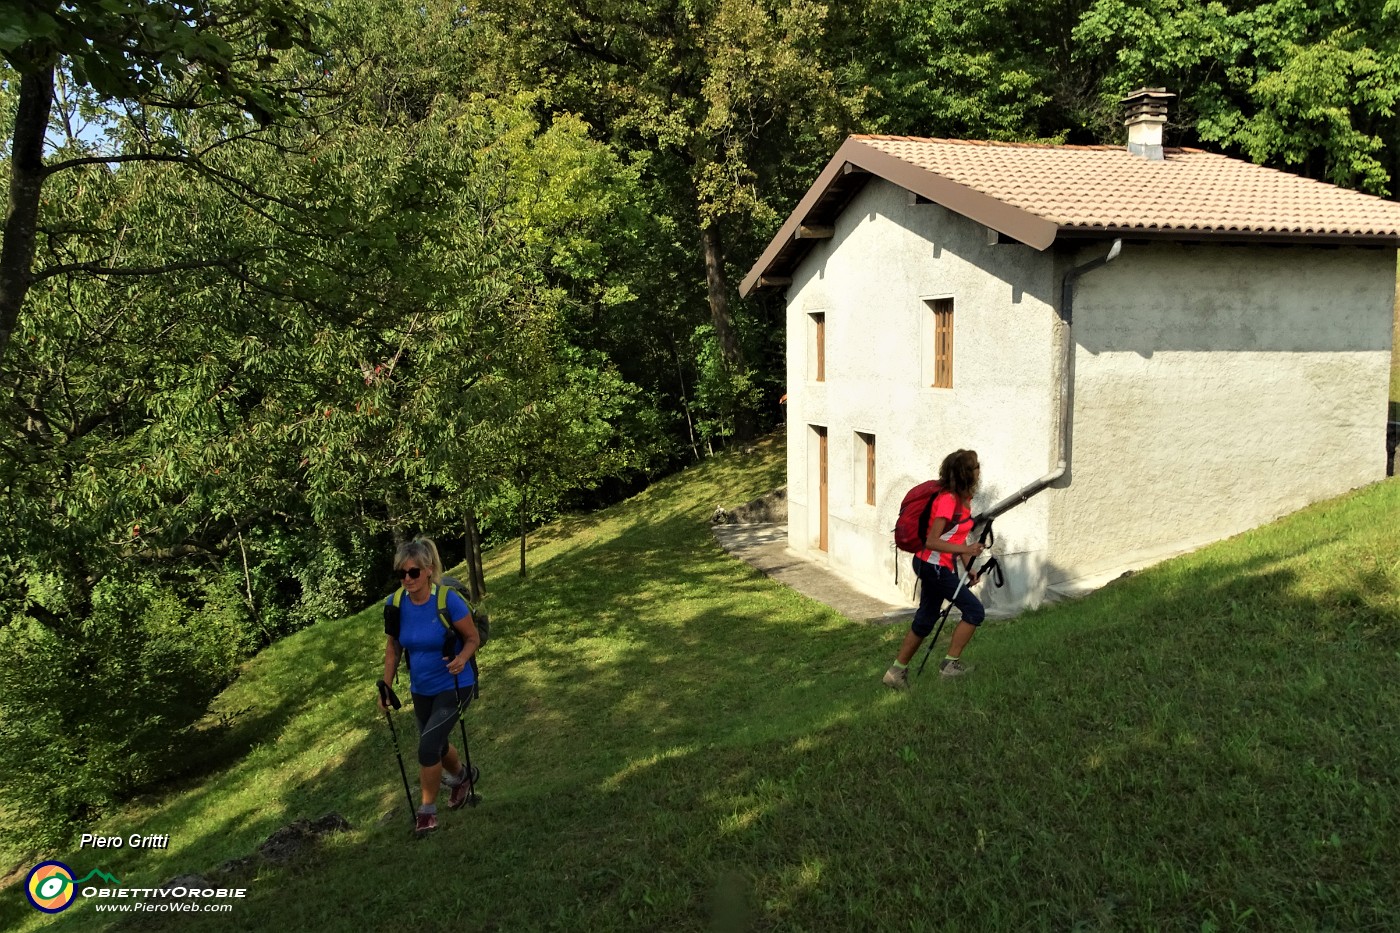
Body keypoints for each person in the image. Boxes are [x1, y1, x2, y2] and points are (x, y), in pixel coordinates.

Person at [378, 537, 481, 836]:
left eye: (414, 572)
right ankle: (463, 777)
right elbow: (393, 648)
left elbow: (472, 638)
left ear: (429, 570)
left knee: (427, 747)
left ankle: (427, 813)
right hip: (421, 687)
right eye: (402, 573)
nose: (407, 579)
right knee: (435, 742)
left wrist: (462, 658)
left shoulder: (447, 600)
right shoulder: (394, 604)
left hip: (455, 682)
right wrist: (386, 686)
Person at [884, 450, 986, 689]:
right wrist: (968, 550)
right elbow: (931, 540)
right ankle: (950, 665)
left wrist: (967, 564)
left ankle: (895, 672)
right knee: (974, 611)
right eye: (975, 466)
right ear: (965, 473)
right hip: (932, 565)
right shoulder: (948, 501)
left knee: (927, 618)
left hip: (938, 565)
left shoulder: (964, 499)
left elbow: (955, 536)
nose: (979, 470)